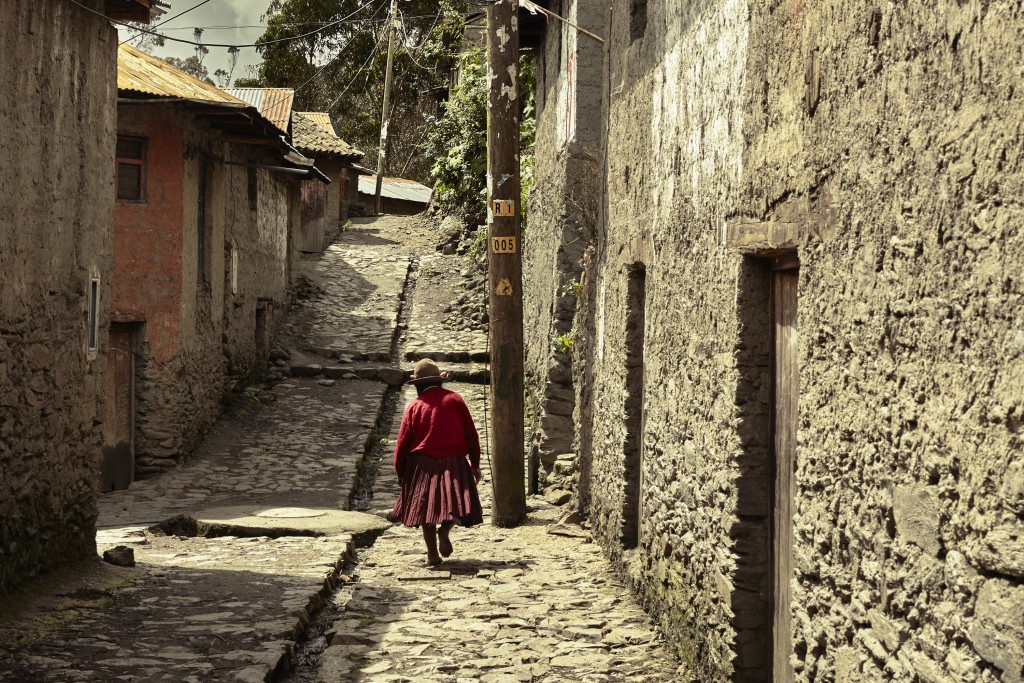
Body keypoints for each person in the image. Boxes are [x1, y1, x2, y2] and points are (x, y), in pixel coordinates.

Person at [391, 359, 484, 565]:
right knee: (458, 503)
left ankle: (432, 555)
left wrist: (400, 471)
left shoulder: (415, 406)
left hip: (422, 464)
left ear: (417, 385)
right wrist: (475, 465)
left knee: (427, 510)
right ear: (440, 381)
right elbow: (471, 435)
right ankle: (446, 528)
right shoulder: (455, 399)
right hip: (455, 462)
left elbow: (402, 443)